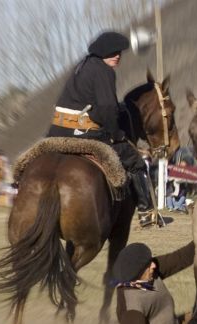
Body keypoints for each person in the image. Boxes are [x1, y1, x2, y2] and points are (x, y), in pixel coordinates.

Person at [47, 31, 154, 227]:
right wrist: (116, 133)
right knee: (135, 161)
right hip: (84, 133)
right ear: (102, 52)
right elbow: (107, 108)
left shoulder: (83, 66)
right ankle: (147, 212)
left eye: (119, 52)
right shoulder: (104, 71)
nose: (117, 55)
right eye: (112, 52)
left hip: (56, 131)